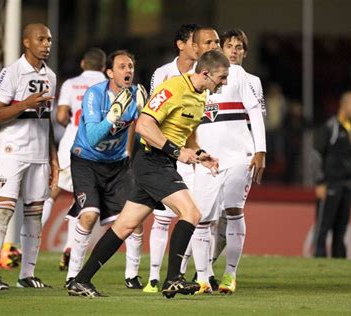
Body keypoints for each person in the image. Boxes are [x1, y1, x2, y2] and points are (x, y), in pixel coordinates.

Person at [67, 50, 229, 299]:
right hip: (151, 161)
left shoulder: (201, 96)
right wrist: (176, 151)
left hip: (164, 162)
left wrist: (199, 154)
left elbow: (187, 135)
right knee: (192, 213)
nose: (224, 82)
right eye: (222, 77)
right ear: (206, 73)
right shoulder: (173, 88)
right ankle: (173, 278)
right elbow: (143, 125)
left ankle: (81, 280)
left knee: (125, 225)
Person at [0, 23, 58, 290]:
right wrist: (24, 104)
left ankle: (27, 275)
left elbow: (46, 120)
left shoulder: (51, 76)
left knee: (34, 214)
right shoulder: (11, 73)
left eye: (49, 39)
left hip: (40, 155)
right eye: (41, 39)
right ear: (26, 42)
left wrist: (54, 159)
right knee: (5, 210)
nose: (46, 44)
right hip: (12, 151)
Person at [63, 50, 148, 290]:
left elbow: (147, 131)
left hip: (117, 164)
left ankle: (132, 276)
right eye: (122, 66)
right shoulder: (95, 94)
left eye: (130, 66)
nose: (128, 70)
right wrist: (114, 115)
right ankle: (73, 276)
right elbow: (91, 137)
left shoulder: (136, 95)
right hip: (86, 161)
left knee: (136, 219)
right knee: (89, 216)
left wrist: (146, 115)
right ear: (109, 72)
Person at [192, 28, 266, 294]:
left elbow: (256, 115)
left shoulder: (245, 78)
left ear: (245, 52)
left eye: (239, 47)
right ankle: (203, 277)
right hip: (206, 158)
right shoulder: (199, 76)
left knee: (233, 212)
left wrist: (260, 151)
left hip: (238, 157)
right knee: (203, 218)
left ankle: (230, 274)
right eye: (229, 45)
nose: (234, 51)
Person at [143, 23, 212, 293]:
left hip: (186, 155)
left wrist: (196, 152)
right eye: (195, 43)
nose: (199, 47)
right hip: (162, 154)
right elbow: (151, 115)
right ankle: (153, 278)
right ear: (182, 45)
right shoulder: (164, 74)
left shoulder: (202, 78)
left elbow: (192, 124)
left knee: (194, 215)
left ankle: (187, 275)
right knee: (162, 218)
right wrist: (170, 149)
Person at [40, 48, 107, 271]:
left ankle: (29, 238)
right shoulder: (108, 85)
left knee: (54, 190)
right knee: (85, 198)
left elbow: (60, 116)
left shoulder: (70, 84)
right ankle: (70, 246)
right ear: (103, 66)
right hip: (99, 146)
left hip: (72, 143)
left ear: (82, 63)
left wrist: (70, 124)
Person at [312, 91, 351, 258]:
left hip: (346, 185)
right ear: (344, 105)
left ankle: (340, 263)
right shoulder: (330, 126)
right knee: (323, 227)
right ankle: (318, 262)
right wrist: (319, 182)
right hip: (330, 184)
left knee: (342, 228)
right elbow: (316, 155)